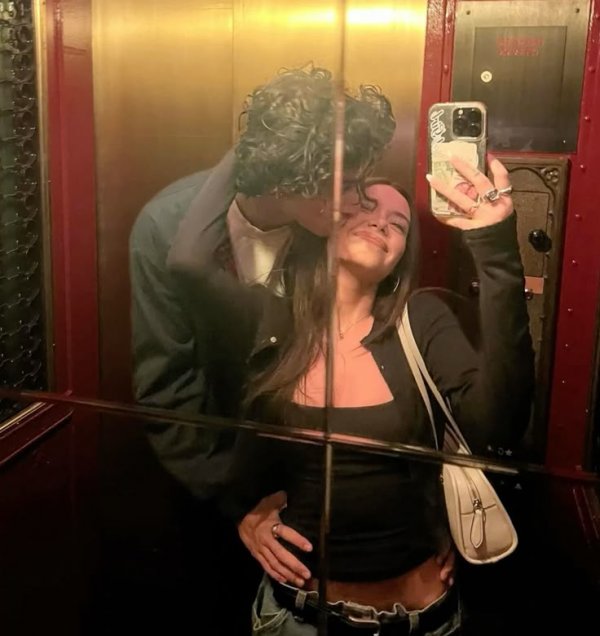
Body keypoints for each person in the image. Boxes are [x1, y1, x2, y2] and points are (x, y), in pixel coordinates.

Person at [166, 155, 535, 635]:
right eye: (364, 207)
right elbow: (187, 262)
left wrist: (495, 244)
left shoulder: (421, 320)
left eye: (398, 224)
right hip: (294, 619)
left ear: (400, 259)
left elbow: (497, 425)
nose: (381, 223)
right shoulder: (272, 321)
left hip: (422, 622)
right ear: (326, 225)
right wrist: (259, 144)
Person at [129, 65, 396, 632]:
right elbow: (167, 385)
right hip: (216, 474)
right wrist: (238, 504)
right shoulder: (168, 225)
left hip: (314, 471)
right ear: (289, 180)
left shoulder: (333, 228)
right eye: (345, 186)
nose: (358, 201)